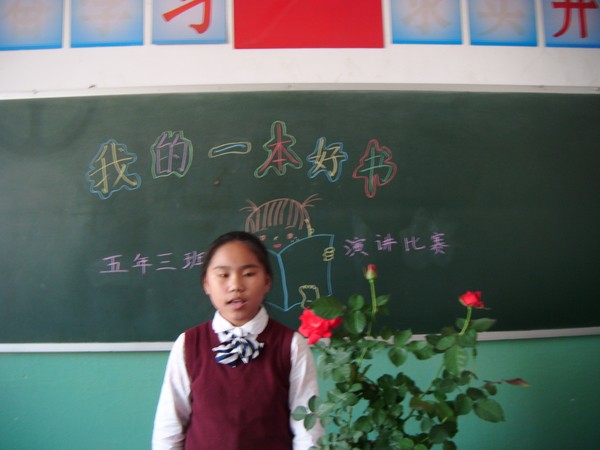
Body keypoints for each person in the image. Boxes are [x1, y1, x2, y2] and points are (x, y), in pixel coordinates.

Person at [152, 231, 323, 450]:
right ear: (206, 283)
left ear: (267, 281)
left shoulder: (291, 345)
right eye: (223, 275)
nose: (236, 285)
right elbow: (169, 427)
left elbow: (307, 429)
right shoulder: (188, 344)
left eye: (249, 274)